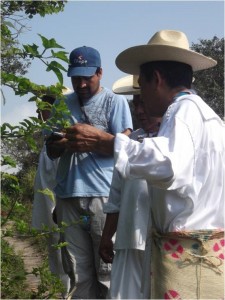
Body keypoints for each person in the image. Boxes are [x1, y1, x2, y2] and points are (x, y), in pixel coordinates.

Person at [112, 29, 225, 299]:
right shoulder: (210, 118)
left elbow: (168, 164)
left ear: (157, 79)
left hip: (184, 255)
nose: (141, 97)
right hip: (209, 250)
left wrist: (109, 143)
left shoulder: (181, 112)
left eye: (143, 84)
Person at [45, 46, 133, 299]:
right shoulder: (62, 103)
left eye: (87, 77)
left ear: (100, 73)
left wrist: (92, 139)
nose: (81, 84)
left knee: (108, 269)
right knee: (76, 272)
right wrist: (60, 144)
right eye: (76, 78)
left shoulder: (114, 102)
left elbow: (125, 147)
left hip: (103, 196)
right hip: (68, 195)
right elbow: (50, 149)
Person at [99, 75, 161, 299]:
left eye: (144, 102)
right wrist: (107, 236)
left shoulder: (173, 143)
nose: (139, 110)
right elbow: (116, 197)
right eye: (135, 103)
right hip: (127, 241)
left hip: (161, 242)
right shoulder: (127, 144)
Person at [32, 89, 71, 298]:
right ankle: (61, 292)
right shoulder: (48, 140)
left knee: (65, 253)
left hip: (60, 211)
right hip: (49, 211)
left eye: (45, 108)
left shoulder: (62, 142)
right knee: (55, 254)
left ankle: (67, 294)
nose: (39, 112)